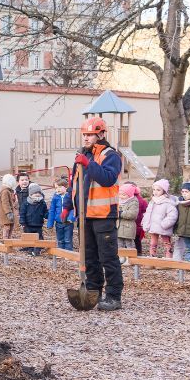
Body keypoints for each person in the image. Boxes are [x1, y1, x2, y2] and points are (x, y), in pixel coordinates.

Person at [62, 117, 124, 311]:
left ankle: (114, 296)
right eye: (85, 135)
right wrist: (67, 206)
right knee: (89, 257)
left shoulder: (111, 155)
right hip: (85, 216)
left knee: (108, 257)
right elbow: (75, 184)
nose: (87, 138)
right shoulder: (83, 155)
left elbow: (107, 179)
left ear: (101, 134)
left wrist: (89, 165)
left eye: (90, 135)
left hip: (104, 214)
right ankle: (92, 290)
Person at [141, 179, 177, 258]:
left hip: (163, 227)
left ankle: (169, 259)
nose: (155, 192)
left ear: (164, 191)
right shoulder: (152, 201)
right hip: (153, 226)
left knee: (166, 243)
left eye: (158, 190)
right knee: (153, 243)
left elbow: (172, 215)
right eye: (154, 189)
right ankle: (152, 257)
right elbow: (148, 213)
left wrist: (164, 224)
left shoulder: (168, 202)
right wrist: (145, 222)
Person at [47, 178, 74, 251]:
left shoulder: (70, 196)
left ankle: (68, 253)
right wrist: (50, 223)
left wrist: (71, 218)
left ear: (66, 187)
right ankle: (61, 252)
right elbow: (52, 211)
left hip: (68, 222)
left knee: (68, 239)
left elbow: (73, 208)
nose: (57, 189)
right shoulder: (55, 198)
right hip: (58, 222)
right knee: (60, 239)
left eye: (59, 187)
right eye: (56, 188)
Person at [20, 182, 47, 254]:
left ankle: (38, 249)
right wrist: (22, 221)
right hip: (28, 223)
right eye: (35, 193)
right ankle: (30, 248)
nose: (37, 194)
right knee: (29, 236)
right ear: (31, 194)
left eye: (39, 193)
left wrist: (47, 215)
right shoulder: (26, 202)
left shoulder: (42, 202)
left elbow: (45, 211)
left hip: (38, 223)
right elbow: (22, 212)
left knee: (39, 237)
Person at [122, 181, 147, 253]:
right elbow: (145, 211)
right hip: (137, 225)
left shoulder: (125, 200)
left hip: (127, 224)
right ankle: (139, 253)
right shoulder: (142, 200)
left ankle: (126, 255)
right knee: (137, 241)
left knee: (126, 240)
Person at [117, 184, 139, 253]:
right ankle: (121, 258)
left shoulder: (133, 202)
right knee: (119, 244)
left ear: (129, 195)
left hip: (128, 227)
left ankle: (130, 258)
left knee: (129, 244)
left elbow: (132, 214)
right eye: (120, 194)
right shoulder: (119, 202)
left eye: (123, 195)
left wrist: (120, 213)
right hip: (119, 227)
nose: (121, 196)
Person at [0, 174, 19, 239]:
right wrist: (8, 212)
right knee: (7, 227)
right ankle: (6, 240)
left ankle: (9, 240)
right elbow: (5, 203)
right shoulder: (5, 191)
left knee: (11, 226)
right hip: (6, 214)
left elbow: (12, 201)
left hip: (11, 212)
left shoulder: (10, 191)